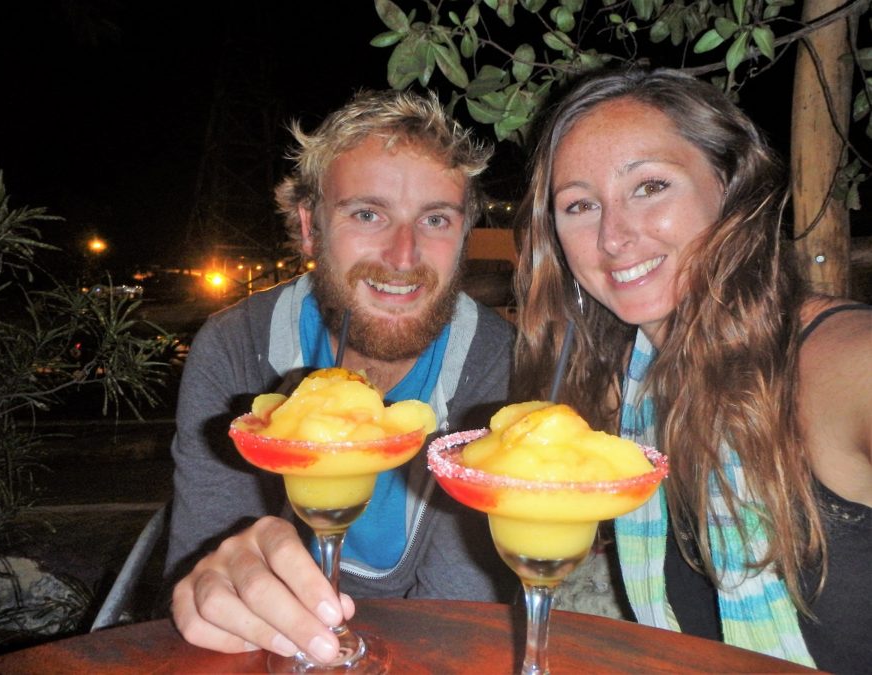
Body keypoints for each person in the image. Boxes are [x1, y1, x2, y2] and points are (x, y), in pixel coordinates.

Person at [512, 67, 871, 672]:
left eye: (650, 187)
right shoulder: (625, 392)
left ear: (730, 186)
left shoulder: (840, 363)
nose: (614, 235)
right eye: (580, 205)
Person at [167, 90, 516, 661]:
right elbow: (200, 569)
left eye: (434, 219)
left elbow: (456, 622)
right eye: (367, 214)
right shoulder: (236, 349)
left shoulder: (498, 367)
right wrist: (215, 592)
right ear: (310, 227)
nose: (403, 256)